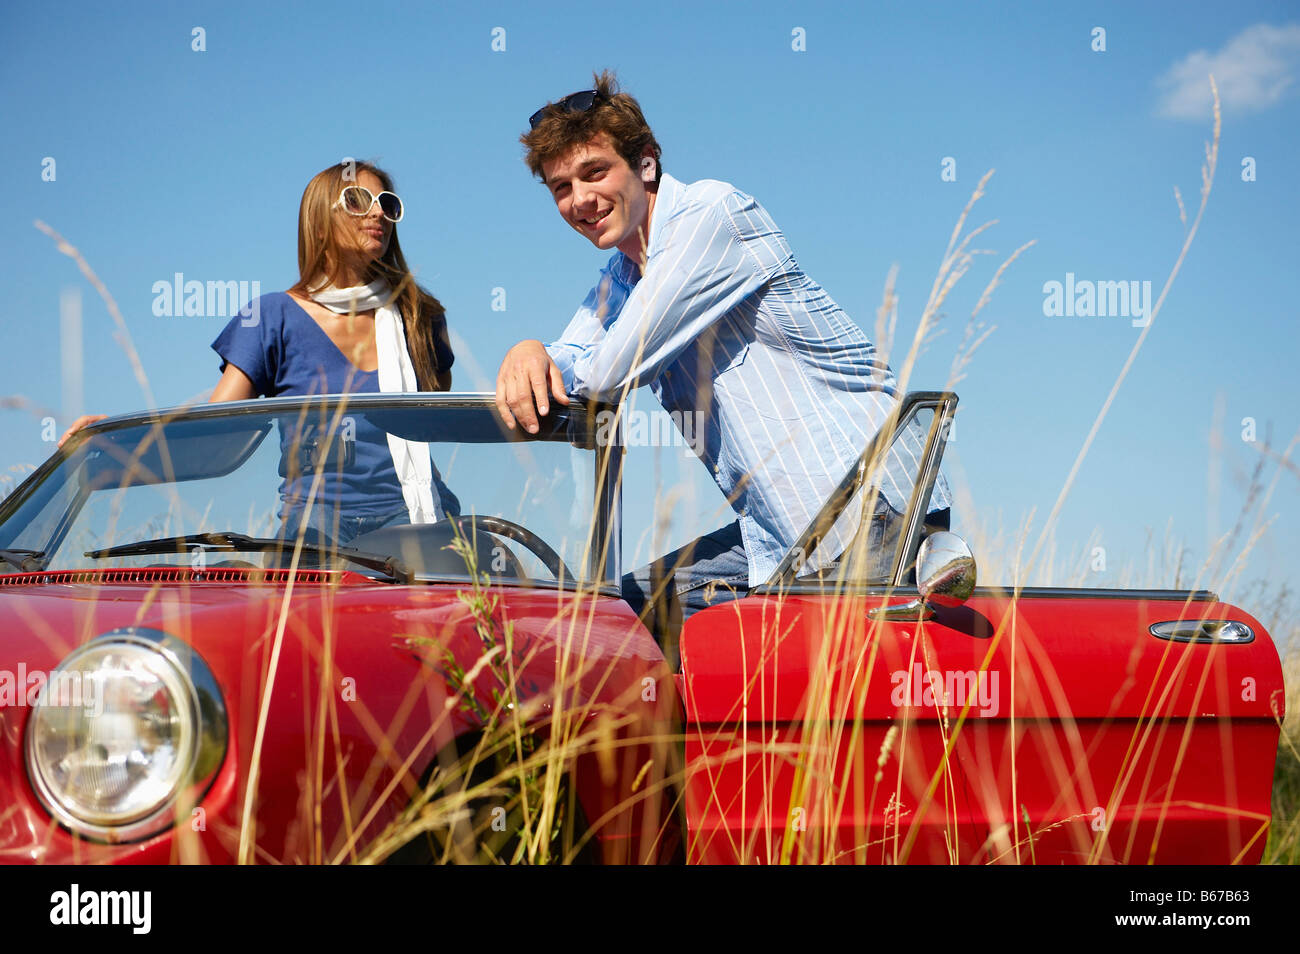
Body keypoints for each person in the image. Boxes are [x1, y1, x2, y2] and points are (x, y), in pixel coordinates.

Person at [495, 72, 951, 626]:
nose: (580, 200)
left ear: (646, 163)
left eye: (594, 172)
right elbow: (571, 349)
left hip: (865, 508)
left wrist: (551, 363)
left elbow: (609, 369)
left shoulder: (711, 217)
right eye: (560, 187)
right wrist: (527, 350)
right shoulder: (622, 272)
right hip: (785, 533)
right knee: (620, 616)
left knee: (816, 696)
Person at [62, 160, 458, 545]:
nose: (378, 213)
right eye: (358, 200)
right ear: (320, 219)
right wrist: (117, 440)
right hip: (318, 522)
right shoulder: (271, 316)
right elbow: (214, 435)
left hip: (414, 514)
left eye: (387, 204)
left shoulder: (420, 315)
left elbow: (439, 424)